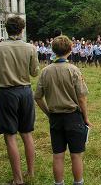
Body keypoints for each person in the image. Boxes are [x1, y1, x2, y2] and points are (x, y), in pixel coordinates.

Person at [34, 36, 90, 185]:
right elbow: (82, 98)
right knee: (76, 155)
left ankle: (58, 183)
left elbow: (38, 97)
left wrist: (48, 113)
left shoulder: (46, 71)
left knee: (57, 155)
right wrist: (86, 118)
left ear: (53, 50)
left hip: (55, 118)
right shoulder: (73, 70)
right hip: (73, 117)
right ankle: (78, 182)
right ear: (70, 50)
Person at [0, 16, 39, 185]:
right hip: (25, 91)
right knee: (27, 133)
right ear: (22, 29)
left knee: (10, 136)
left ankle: (18, 179)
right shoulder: (30, 48)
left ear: (7, 28)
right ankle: (31, 172)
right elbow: (34, 73)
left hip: (7, 93)